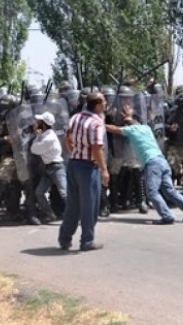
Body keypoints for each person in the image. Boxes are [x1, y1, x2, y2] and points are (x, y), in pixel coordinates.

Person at [105, 104, 183, 225]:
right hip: (162, 161)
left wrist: (99, 123)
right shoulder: (146, 128)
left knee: (152, 192)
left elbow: (113, 129)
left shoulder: (131, 130)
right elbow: (134, 123)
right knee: (170, 191)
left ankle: (167, 216)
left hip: (152, 163)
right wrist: (130, 117)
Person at [58, 91, 108, 252]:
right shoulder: (96, 123)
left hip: (73, 164)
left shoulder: (75, 117)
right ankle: (87, 240)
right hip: (88, 168)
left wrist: (74, 152)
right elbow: (97, 148)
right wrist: (104, 170)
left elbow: (67, 139)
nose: (106, 104)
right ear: (98, 104)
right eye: (104, 101)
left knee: (73, 204)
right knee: (90, 205)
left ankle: (64, 238)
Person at [30, 112, 66, 224]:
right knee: (39, 193)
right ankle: (50, 214)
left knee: (64, 192)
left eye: (39, 122)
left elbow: (34, 149)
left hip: (56, 167)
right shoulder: (45, 135)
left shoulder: (49, 138)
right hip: (48, 168)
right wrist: (38, 135)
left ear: (44, 125)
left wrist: (36, 135)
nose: (36, 124)